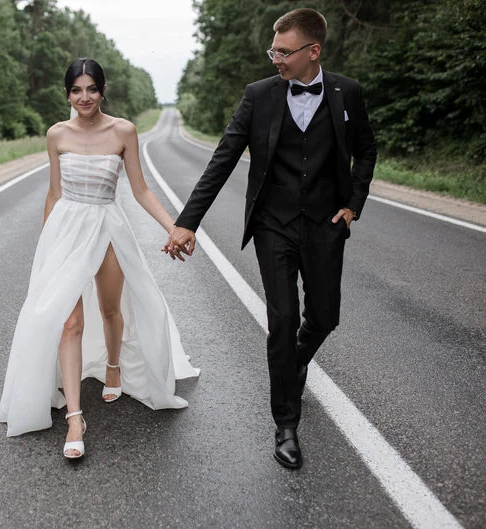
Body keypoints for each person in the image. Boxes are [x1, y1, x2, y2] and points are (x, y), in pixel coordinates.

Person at [164, 8, 377, 469]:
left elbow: (367, 149)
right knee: (282, 319)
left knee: (325, 316)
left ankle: (291, 365)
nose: (275, 58)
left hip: (326, 224)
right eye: (272, 50)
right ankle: (286, 424)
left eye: (283, 51)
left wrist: (353, 204)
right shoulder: (258, 96)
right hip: (273, 225)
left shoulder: (347, 93)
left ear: (313, 51)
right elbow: (222, 159)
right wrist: (187, 221)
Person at [0, 58, 199, 459]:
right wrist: (45, 246)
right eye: (76, 90)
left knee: (109, 309)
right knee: (68, 321)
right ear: (67, 94)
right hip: (66, 230)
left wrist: (173, 227)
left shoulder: (123, 130)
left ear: (103, 91)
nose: (84, 97)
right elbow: (54, 193)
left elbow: (140, 191)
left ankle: (113, 366)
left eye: (91, 89)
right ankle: (75, 417)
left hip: (107, 226)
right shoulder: (57, 134)